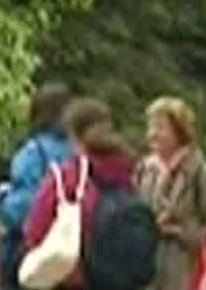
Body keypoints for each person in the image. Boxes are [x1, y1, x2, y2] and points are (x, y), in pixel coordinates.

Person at [22, 97, 144, 289]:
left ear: (72, 135)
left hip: (75, 280)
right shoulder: (132, 171)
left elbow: (34, 231)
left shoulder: (66, 177)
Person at [133, 97, 206, 290]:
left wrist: (181, 231)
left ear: (179, 132)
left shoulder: (204, 175)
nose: (152, 134)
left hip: (189, 276)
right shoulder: (144, 171)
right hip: (148, 276)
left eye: (160, 128)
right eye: (150, 127)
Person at [0, 82, 74, 290]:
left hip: (37, 257)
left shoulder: (34, 152)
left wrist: (1, 198)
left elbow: (22, 210)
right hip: (74, 257)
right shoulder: (81, 151)